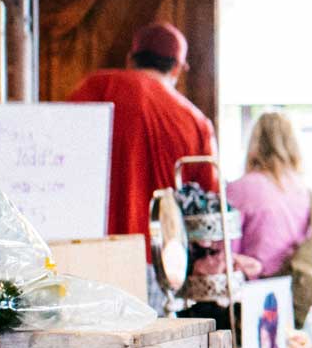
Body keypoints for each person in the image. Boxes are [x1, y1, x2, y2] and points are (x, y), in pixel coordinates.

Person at [68, 20, 216, 240]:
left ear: (131, 59)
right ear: (177, 68)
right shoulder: (196, 122)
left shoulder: (95, 88)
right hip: (161, 258)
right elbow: (208, 208)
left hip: (89, 247)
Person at [227, 109, 312, 326]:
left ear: (255, 144)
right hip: (299, 318)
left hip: (252, 315)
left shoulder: (239, 190)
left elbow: (226, 259)